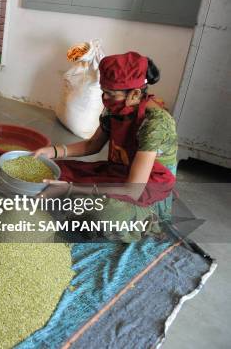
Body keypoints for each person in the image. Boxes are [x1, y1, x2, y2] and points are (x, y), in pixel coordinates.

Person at [34, 52, 177, 242]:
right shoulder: (116, 108)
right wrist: (52, 151)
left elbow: (132, 190)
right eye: (104, 91)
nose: (105, 99)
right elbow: (92, 145)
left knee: (103, 214)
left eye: (111, 94)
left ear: (135, 93)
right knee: (51, 174)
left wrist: (70, 189)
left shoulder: (155, 123)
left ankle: (147, 218)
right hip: (119, 173)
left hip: (145, 188)